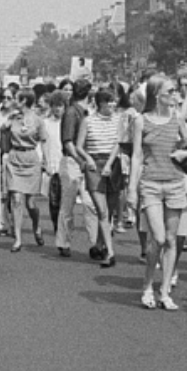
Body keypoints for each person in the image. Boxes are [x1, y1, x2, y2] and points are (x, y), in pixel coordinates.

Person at [127, 74, 187, 311]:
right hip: (151, 184)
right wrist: (132, 189)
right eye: (171, 91)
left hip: (175, 182)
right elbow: (136, 156)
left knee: (172, 240)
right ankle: (147, 286)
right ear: (157, 95)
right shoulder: (141, 121)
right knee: (159, 238)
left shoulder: (178, 119)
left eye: (176, 91)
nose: (175, 96)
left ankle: (164, 291)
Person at [55, 79, 101, 259]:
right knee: (68, 204)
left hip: (86, 160)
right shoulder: (72, 112)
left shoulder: (87, 112)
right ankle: (63, 242)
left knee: (91, 203)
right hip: (73, 161)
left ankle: (95, 242)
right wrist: (79, 159)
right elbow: (68, 142)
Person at [76, 89, 121, 268]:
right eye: (109, 102)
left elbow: (118, 144)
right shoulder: (88, 121)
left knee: (109, 212)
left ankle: (100, 245)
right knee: (101, 211)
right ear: (100, 103)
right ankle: (110, 253)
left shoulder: (118, 120)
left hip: (112, 164)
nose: (112, 105)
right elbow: (80, 146)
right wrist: (88, 159)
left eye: (113, 102)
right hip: (94, 164)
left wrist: (110, 164)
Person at [2, 89, 48, 252]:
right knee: (16, 198)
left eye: (16, 98)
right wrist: (10, 117)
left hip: (30, 158)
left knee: (30, 202)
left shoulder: (37, 120)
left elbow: (44, 141)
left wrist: (46, 162)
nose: (13, 101)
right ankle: (18, 238)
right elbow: (2, 129)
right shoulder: (13, 117)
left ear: (23, 101)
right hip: (15, 157)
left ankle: (36, 226)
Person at [42, 90, 66, 235]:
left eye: (61, 105)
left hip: (67, 165)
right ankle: (57, 226)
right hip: (52, 165)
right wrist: (44, 161)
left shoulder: (69, 123)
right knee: (54, 200)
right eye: (55, 105)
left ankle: (64, 228)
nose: (58, 109)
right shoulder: (46, 123)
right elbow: (43, 143)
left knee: (66, 201)